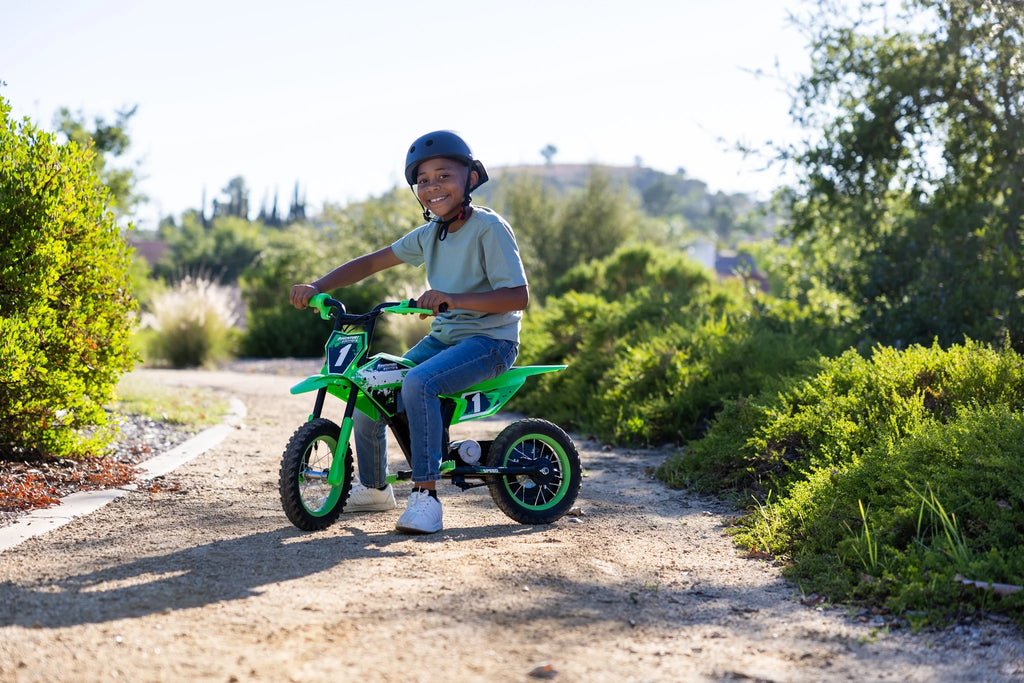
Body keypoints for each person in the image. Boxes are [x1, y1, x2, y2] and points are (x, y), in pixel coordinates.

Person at [289, 130, 529, 534]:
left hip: (491, 342)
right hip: (445, 339)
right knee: (371, 387)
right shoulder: (430, 234)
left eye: (443, 176)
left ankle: (426, 497)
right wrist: (317, 286)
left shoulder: (489, 227)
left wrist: (451, 299)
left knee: (419, 382)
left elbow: (517, 296)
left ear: (471, 178)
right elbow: (371, 263)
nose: (433, 186)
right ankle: (375, 488)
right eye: (423, 180)